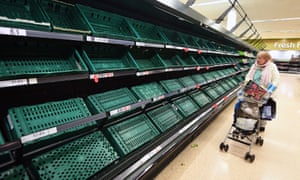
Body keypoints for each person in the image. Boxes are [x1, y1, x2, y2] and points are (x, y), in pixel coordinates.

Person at [237, 51, 280, 131]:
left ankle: (262, 124)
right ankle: (247, 121)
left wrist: (271, 89)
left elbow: (276, 79)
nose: (257, 59)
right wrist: (248, 83)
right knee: (247, 106)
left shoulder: (272, 67)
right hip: (252, 90)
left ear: (266, 59)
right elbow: (248, 76)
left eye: (260, 58)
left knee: (264, 108)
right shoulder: (254, 66)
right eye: (257, 57)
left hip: (264, 92)